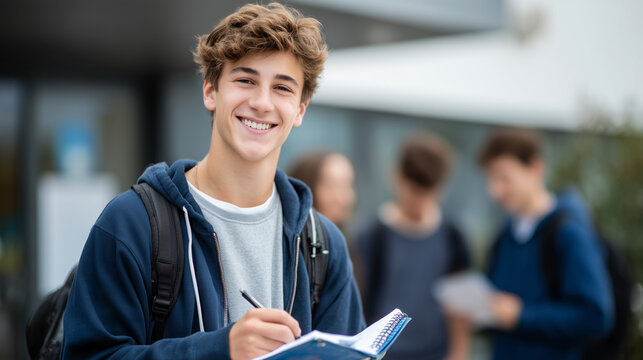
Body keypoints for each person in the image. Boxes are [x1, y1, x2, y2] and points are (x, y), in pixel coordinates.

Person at [61, 3, 365, 360]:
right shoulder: (130, 224)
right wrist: (221, 350)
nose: (262, 102)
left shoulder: (323, 245)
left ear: (300, 109)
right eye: (245, 80)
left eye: (282, 88)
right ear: (210, 92)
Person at [477, 128, 613, 360]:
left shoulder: (569, 234)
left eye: (504, 178)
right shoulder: (505, 236)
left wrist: (522, 315)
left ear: (535, 169)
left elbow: (595, 316)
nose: (495, 191)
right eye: (491, 178)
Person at [355, 134, 471, 360]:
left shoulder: (452, 235)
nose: (420, 202)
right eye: (414, 191)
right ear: (397, 177)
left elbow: (459, 307)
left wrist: (458, 353)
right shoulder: (372, 237)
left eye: (429, 192)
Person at [288, 151, 356, 234]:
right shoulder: (294, 242)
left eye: (347, 185)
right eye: (331, 186)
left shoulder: (349, 242)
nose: (344, 197)